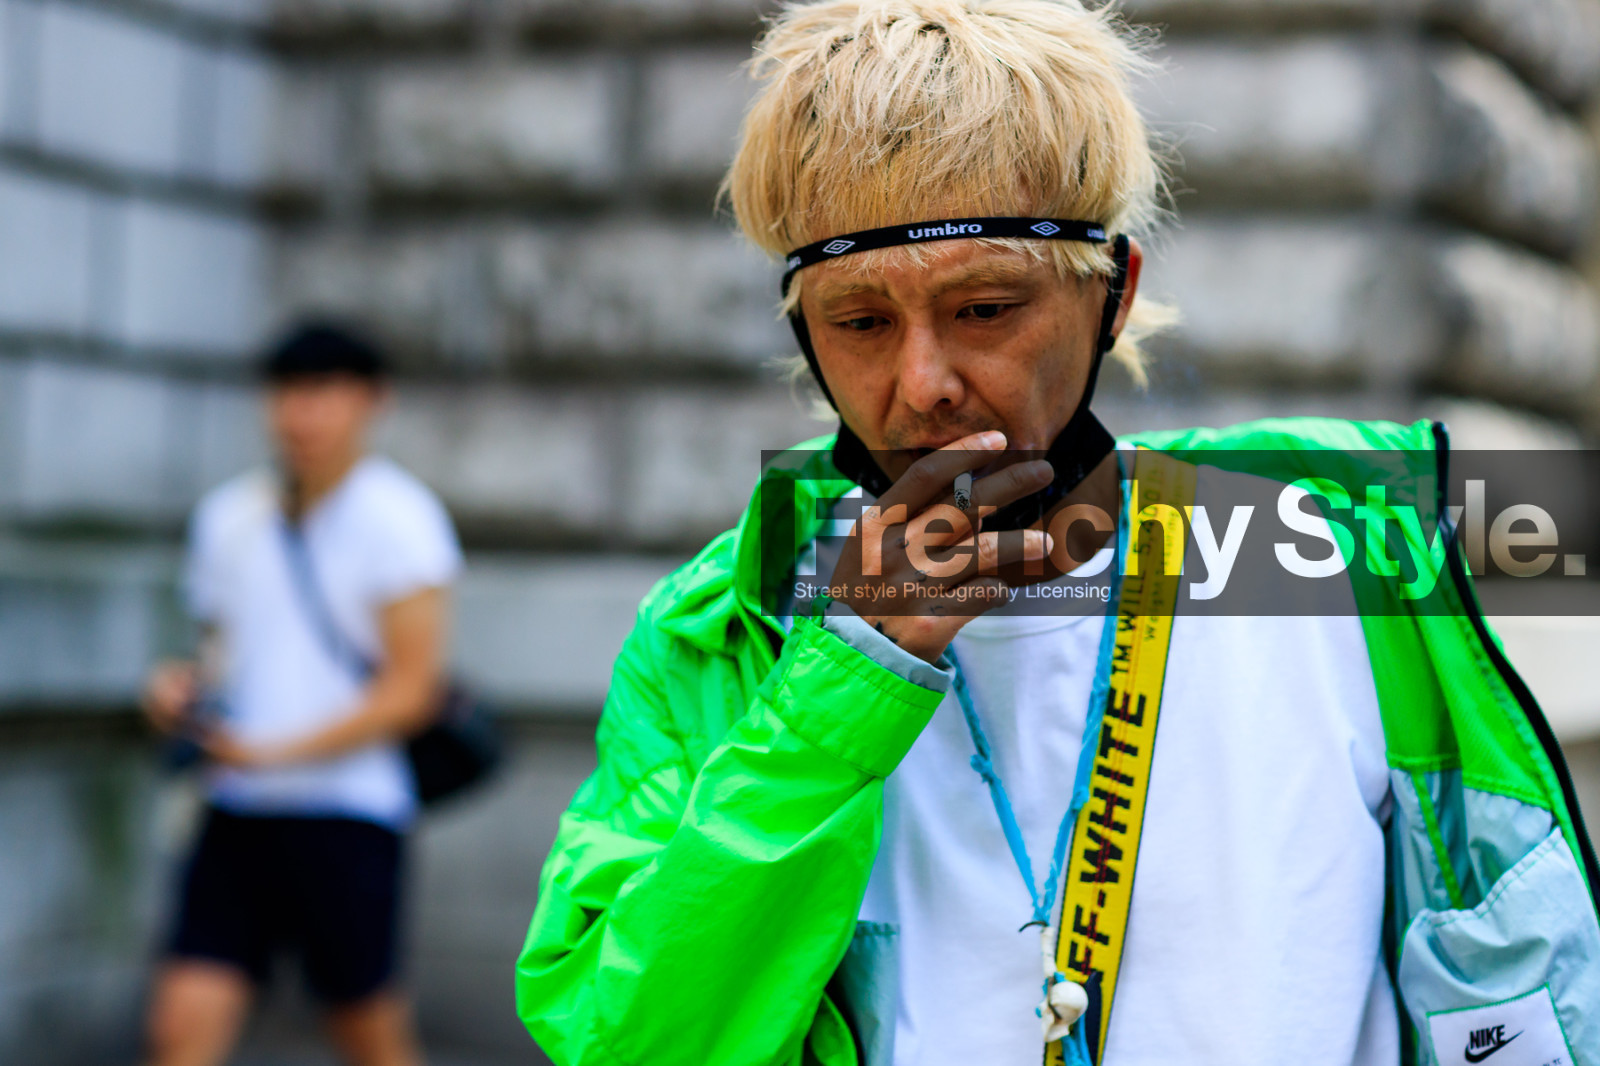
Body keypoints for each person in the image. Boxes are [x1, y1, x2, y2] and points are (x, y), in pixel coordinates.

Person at [515, 1, 1600, 1063]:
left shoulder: (1343, 559)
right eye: (858, 322)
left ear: (1112, 293)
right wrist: (842, 684)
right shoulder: (721, 627)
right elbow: (626, 1040)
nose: (923, 382)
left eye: (986, 308)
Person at [141, 324, 461, 1066]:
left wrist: (273, 749)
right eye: (287, 393)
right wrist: (175, 691)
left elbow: (411, 691)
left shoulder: (401, 521)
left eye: (323, 394)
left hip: (347, 816)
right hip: (235, 812)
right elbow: (218, 656)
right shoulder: (229, 518)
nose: (301, 415)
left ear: (369, 402)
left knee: (369, 1035)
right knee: (179, 1030)